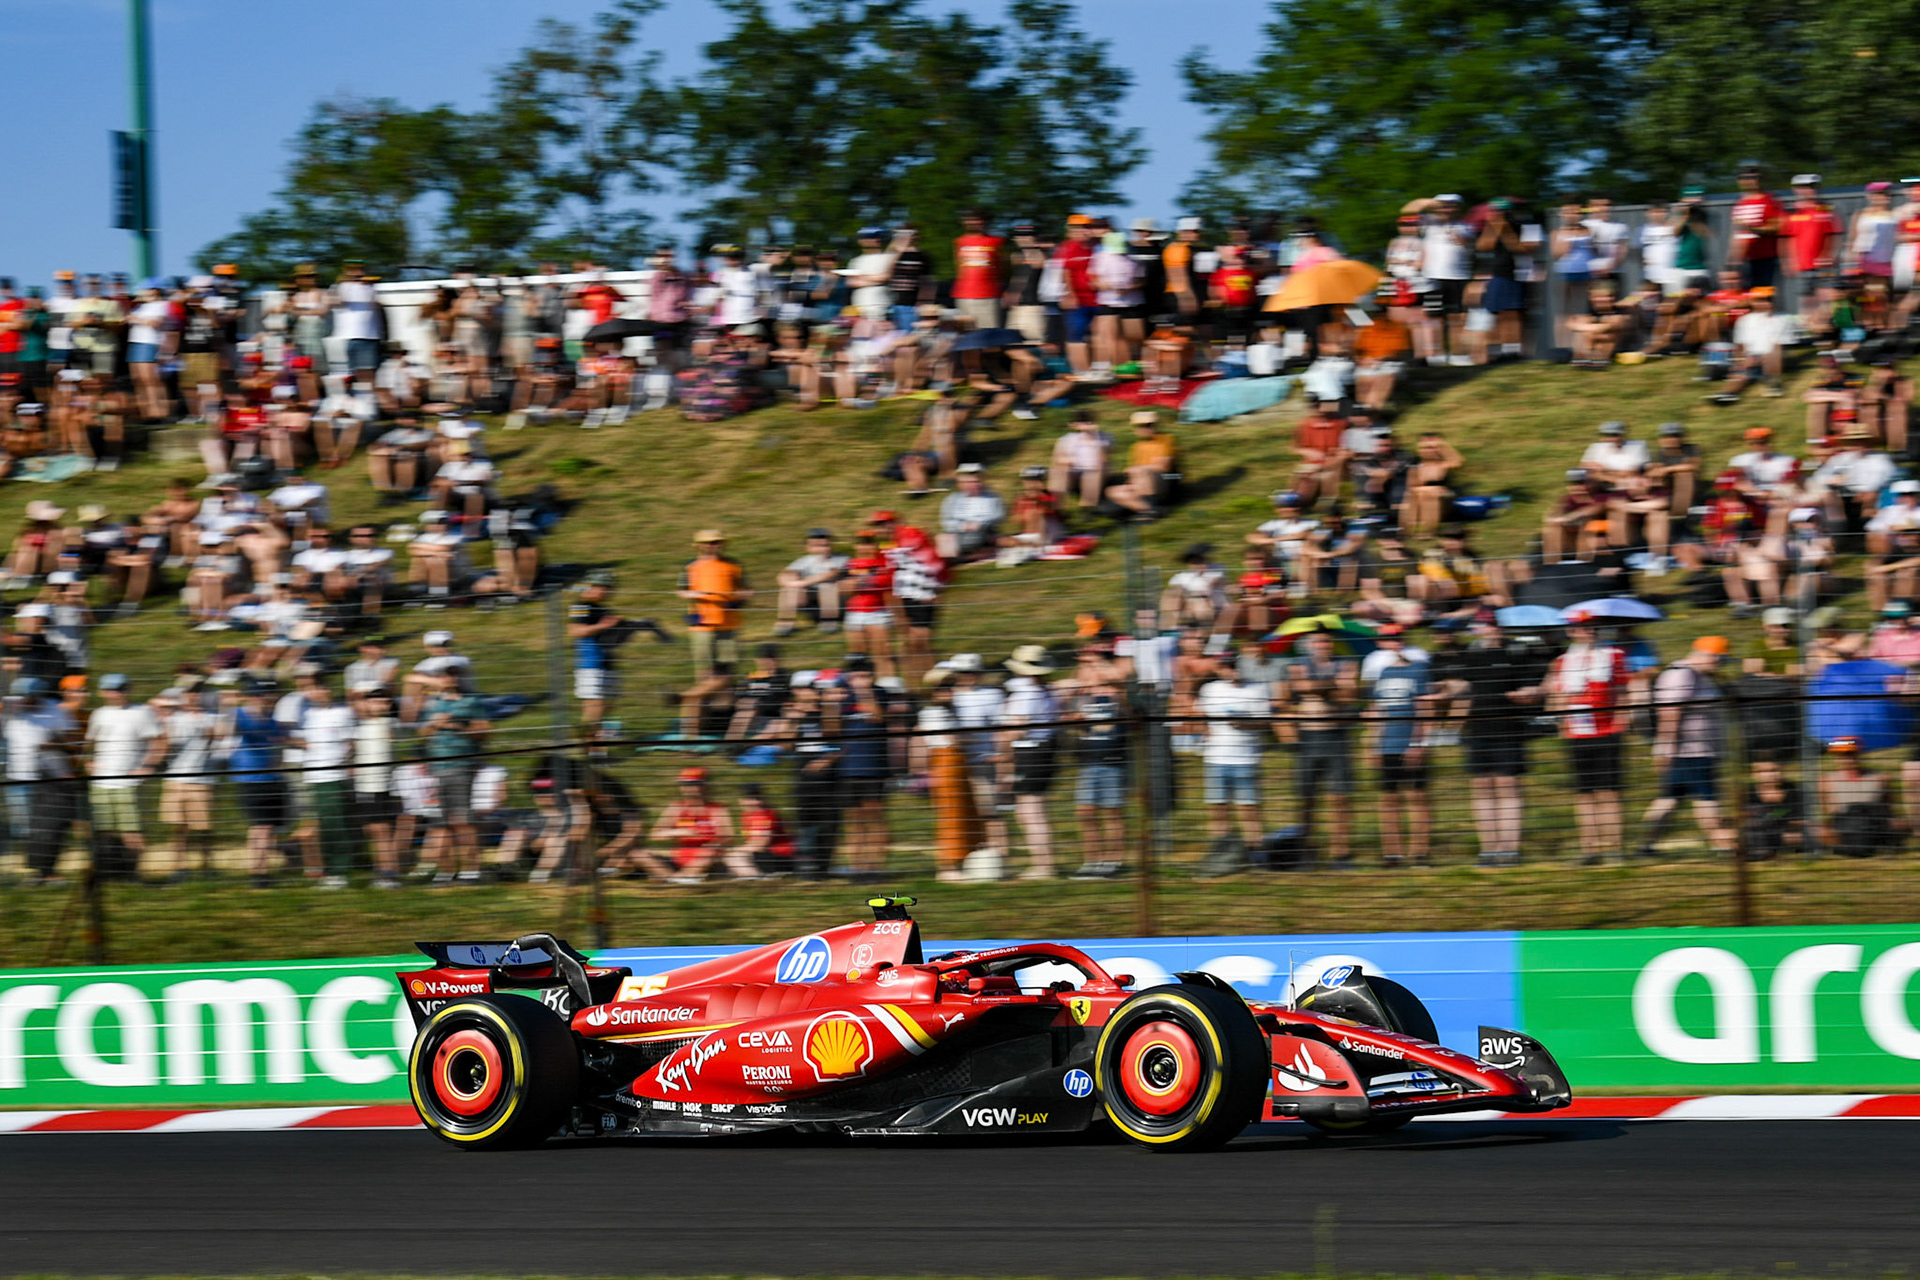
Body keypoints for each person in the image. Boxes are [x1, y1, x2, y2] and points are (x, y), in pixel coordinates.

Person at [1638, 636, 1737, 860]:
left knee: (1669, 798)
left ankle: (1646, 845)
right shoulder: (1682, 674)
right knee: (1706, 798)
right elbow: (1670, 713)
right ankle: (1722, 847)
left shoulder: (1697, 675)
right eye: (1719, 660)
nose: (1719, 665)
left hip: (1692, 750)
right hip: (1691, 751)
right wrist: (1666, 747)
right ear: (1708, 656)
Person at [1544, 611, 1630, 864]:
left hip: (1607, 730)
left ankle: (1614, 847)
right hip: (1577, 731)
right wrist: (1561, 722)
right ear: (1572, 631)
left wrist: (1621, 721)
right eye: (1582, 627)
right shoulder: (1562, 661)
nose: (1588, 631)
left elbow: (1622, 691)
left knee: (1609, 791)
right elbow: (1559, 696)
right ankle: (1589, 847)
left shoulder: (1614, 656)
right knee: (1584, 793)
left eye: (1592, 627)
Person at [1282, 629, 1359, 866]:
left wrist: (1315, 688)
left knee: (1340, 800)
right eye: (1318, 641)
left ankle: (1341, 854)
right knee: (1307, 800)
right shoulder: (1297, 664)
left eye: (1327, 640)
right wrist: (1331, 686)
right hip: (1308, 739)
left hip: (1337, 738)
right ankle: (1306, 852)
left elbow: (1350, 694)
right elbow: (1298, 687)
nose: (1323, 645)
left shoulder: (1347, 664)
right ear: (1309, 644)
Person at [1195, 645, 1270, 872]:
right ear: (1219, 669)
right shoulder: (1209, 690)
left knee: (1249, 809)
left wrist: (1244, 723)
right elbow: (1199, 715)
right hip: (1216, 758)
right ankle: (1222, 852)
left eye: (1234, 665)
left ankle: (1255, 855)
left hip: (1245, 758)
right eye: (1226, 666)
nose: (1231, 670)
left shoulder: (1256, 689)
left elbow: (1265, 722)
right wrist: (1204, 732)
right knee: (1218, 808)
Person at [1366, 626, 1432, 866]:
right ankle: (1392, 853)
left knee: (1417, 799)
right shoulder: (1383, 672)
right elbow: (1378, 711)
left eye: (1396, 639)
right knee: (1388, 800)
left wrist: (1419, 743)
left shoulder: (1420, 669)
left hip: (1410, 744)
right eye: (1387, 640)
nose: (1393, 643)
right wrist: (1373, 745)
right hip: (1387, 745)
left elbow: (1425, 709)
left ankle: (1419, 853)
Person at [676, 529, 751, 739]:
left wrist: (737, 598)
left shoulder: (733, 565)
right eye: (708, 543)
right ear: (698, 546)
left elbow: (747, 591)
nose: (713, 546)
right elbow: (681, 590)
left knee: (727, 676)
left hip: (729, 626)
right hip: (703, 627)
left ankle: (718, 724)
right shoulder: (691, 566)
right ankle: (695, 729)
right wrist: (696, 594)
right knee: (705, 676)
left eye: (717, 542)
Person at [420, 668, 490, 883]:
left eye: (453, 675)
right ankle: (445, 871)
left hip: (462, 766)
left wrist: (457, 725)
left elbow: (485, 733)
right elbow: (421, 734)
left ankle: (471, 870)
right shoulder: (431, 703)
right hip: (435, 769)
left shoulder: (471, 702)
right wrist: (434, 724)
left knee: (462, 820)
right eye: (444, 675)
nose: (449, 679)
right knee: (439, 823)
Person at [85, 673, 157, 878]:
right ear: (102, 692)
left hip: (128, 784)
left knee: (132, 832)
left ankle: (132, 873)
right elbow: (89, 743)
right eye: (112, 689)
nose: (117, 693)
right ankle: (110, 873)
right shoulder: (98, 714)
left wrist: (148, 766)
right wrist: (89, 761)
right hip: (100, 783)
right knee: (104, 832)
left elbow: (158, 741)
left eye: (121, 689)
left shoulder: (142, 712)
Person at [915, 669, 981, 883]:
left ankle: (963, 860)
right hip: (945, 762)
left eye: (950, 686)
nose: (948, 691)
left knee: (965, 814)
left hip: (958, 763)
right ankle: (948, 864)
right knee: (951, 815)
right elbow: (950, 739)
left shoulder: (952, 710)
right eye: (943, 687)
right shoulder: (932, 712)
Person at [292, 677, 357, 889]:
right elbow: (301, 741)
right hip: (313, 777)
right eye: (311, 688)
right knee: (322, 824)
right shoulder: (307, 714)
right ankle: (328, 870)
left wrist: (346, 763)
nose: (317, 692)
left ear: (329, 689)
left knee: (334, 824)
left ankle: (339, 872)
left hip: (333, 776)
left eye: (320, 687)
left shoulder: (343, 712)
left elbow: (351, 744)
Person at [1002, 646, 1059, 879]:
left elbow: (1017, 727)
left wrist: (1001, 742)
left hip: (1030, 753)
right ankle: (1043, 862)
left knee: (1032, 811)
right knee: (1028, 811)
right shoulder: (1045, 691)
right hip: (1042, 752)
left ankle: (1044, 865)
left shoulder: (1026, 693)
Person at [155, 684, 218, 880]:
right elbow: (163, 742)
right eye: (190, 693)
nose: (194, 697)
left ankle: (207, 866)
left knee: (204, 828)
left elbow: (221, 741)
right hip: (175, 780)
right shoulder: (173, 718)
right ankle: (179, 867)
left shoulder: (214, 718)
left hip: (202, 780)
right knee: (178, 827)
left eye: (198, 693)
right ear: (183, 696)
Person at [651, 767, 737, 883]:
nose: (688, 788)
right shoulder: (676, 808)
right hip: (679, 857)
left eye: (694, 784)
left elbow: (728, 837)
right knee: (642, 854)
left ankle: (677, 878)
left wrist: (714, 844)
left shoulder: (717, 809)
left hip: (707, 858)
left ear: (705, 786)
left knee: (709, 853)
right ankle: (679, 877)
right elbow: (655, 835)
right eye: (684, 784)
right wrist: (677, 832)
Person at [568, 568, 626, 728]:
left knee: (608, 704)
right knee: (595, 704)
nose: (608, 593)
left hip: (607, 664)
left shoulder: (603, 609)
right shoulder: (581, 606)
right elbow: (574, 631)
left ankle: (594, 740)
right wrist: (604, 625)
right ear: (594, 586)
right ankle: (591, 745)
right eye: (606, 588)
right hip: (591, 663)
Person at [1104, 411, 1178, 520]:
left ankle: (1149, 506)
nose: (1145, 429)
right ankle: (1149, 510)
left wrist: (1137, 469)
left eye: (1149, 425)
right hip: (1144, 484)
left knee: (1140, 471)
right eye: (1141, 426)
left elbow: (1164, 467)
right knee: (1112, 491)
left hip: (1168, 479)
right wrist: (1130, 484)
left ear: (1155, 426)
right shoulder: (1137, 447)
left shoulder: (1165, 440)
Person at [774, 529, 847, 637]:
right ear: (808, 548)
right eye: (817, 546)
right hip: (811, 597)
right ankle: (785, 623)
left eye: (825, 545)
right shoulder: (805, 560)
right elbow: (784, 575)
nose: (822, 549)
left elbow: (831, 574)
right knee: (789, 589)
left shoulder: (841, 559)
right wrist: (791, 583)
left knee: (826, 586)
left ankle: (829, 621)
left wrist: (802, 583)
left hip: (836, 599)